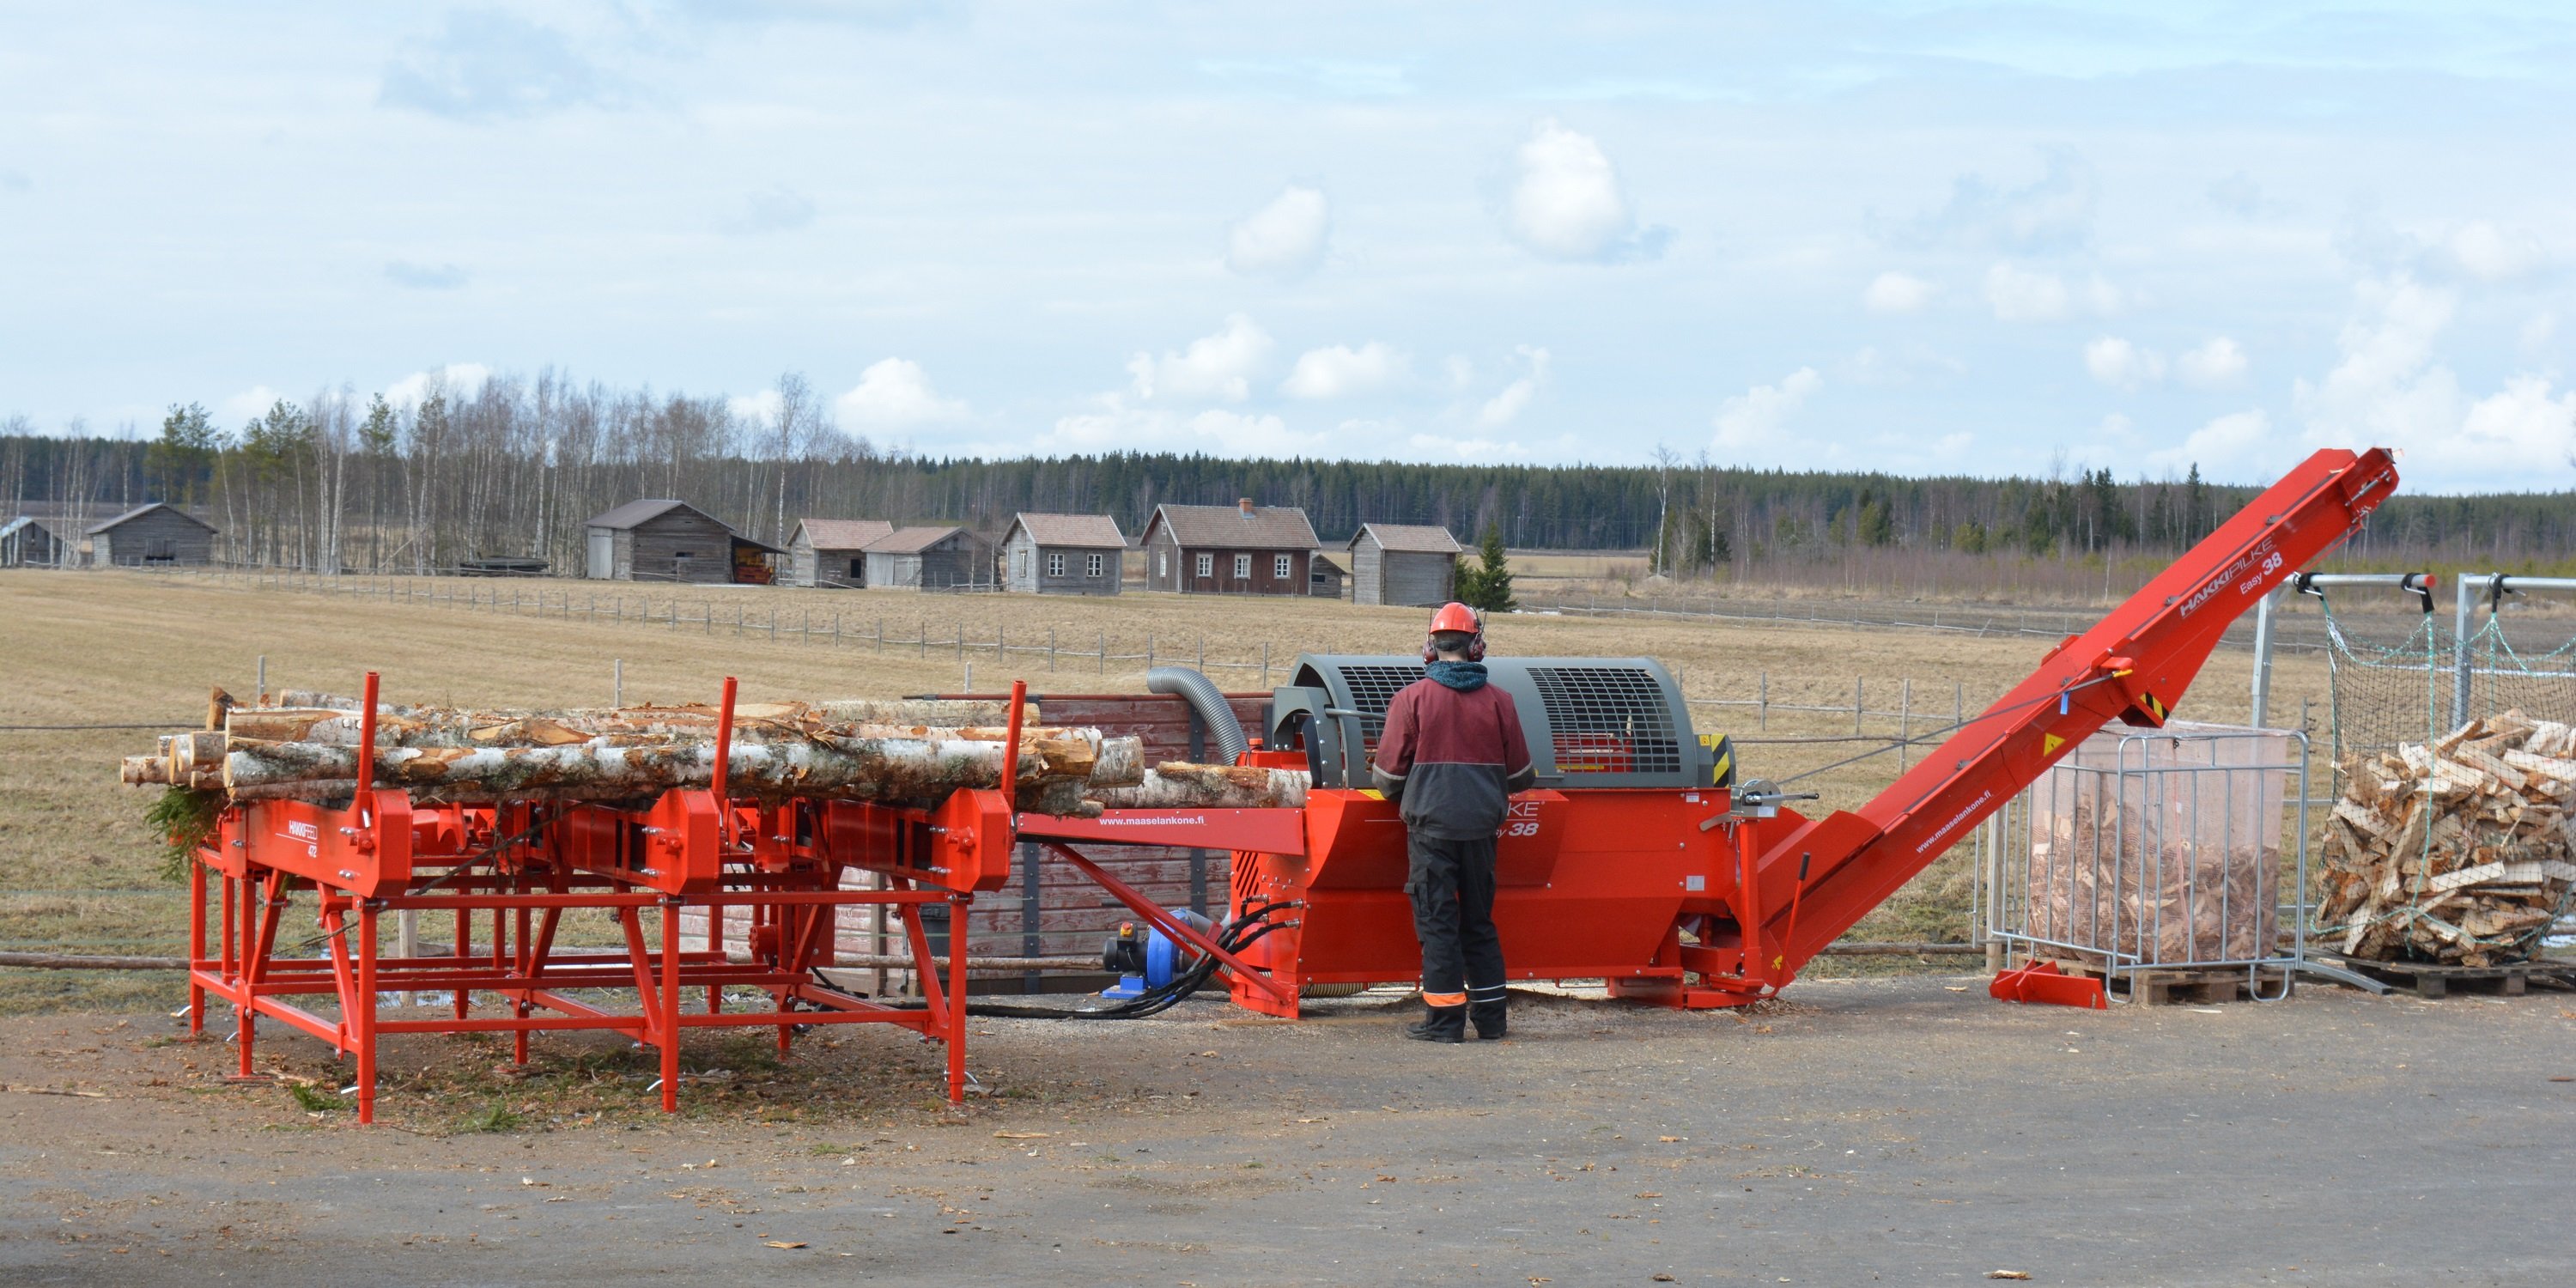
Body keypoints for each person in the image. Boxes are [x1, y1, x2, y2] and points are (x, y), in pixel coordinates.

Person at [1370, 602, 1535, 1042]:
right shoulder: (1501, 701)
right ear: (1476, 646)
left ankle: (1444, 1023)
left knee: (1438, 922)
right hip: (1482, 832)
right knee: (1479, 923)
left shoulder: (1410, 700)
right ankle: (1492, 1023)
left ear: (1431, 647)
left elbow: (1387, 779)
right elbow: (1521, 777)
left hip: (1431, 832)